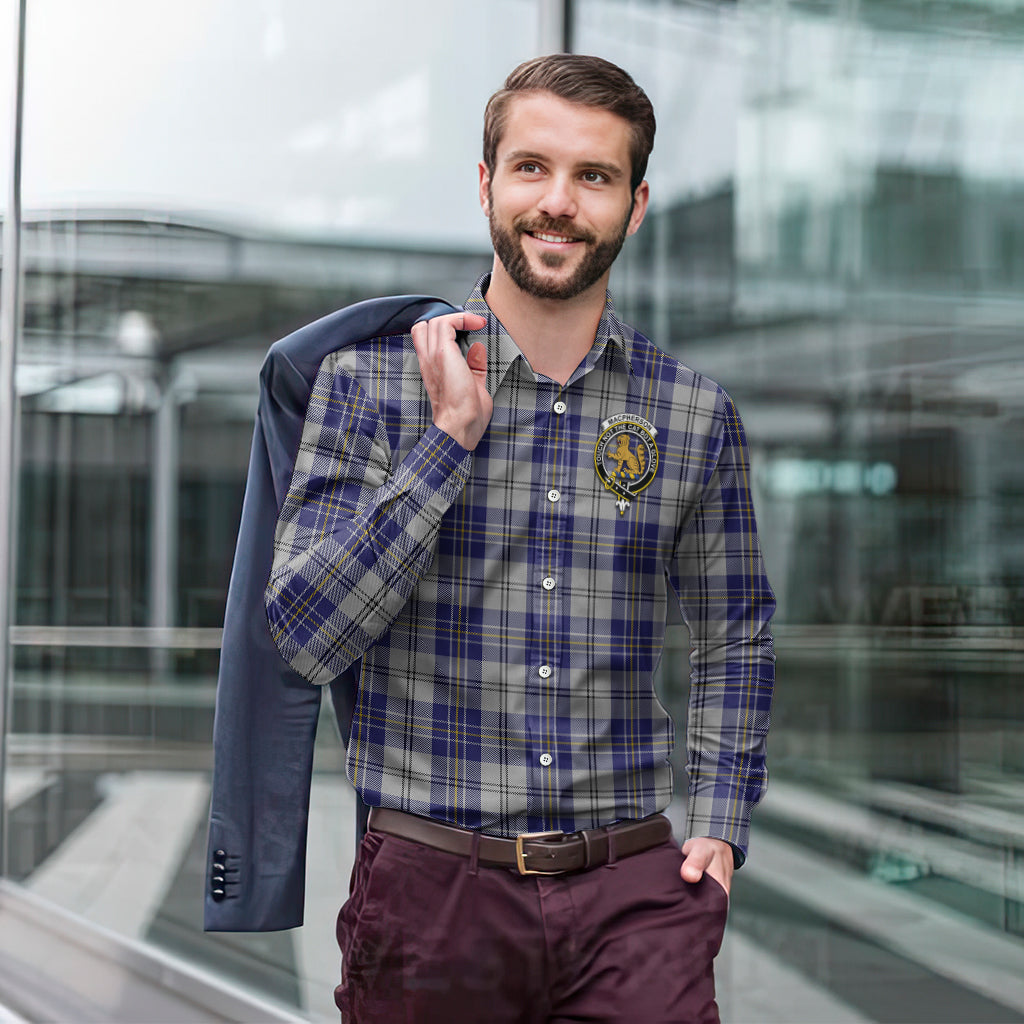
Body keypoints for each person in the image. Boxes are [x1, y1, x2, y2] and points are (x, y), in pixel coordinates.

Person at [264, 53, 775, 1024]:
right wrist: (448, 442)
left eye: (595, 176)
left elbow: (735, 629)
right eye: (533, 167)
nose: (559, 202)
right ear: (487, 182)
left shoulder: (693, 414)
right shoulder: (368, 388)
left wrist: (717, 817)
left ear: (636, 203)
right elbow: (304, 635)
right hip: (432, 896)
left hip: (634, 895)